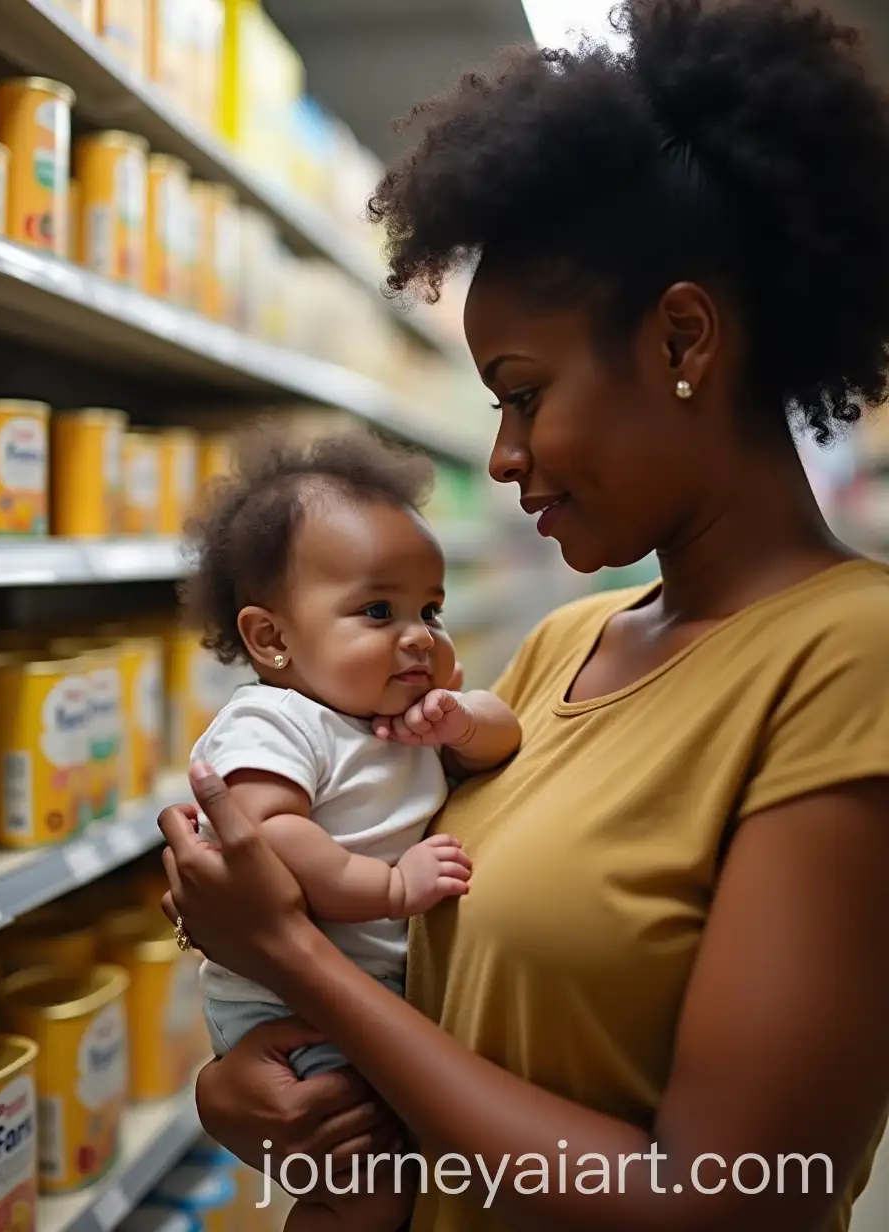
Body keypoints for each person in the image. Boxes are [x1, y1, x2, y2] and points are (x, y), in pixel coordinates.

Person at [158, 1, 889, 1229]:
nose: (501, 458)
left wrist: (290, 956)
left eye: (523, 393)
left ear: (681, 337)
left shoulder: (849, 659)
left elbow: (720, 1200)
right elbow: (454, 1009)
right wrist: (257, 1090)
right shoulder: (559, 647)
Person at [177, 425, 521, 1229]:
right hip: (288, 1012)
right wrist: (391, 886)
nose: (418, 636)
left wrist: (463, 722)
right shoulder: (275, 721)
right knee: (370, 1192)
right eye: (377, 610)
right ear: (271, 638)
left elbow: (507, 734)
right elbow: (270, 841)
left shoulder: (399, 714)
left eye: (430, 610)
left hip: (372, 994)